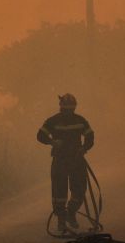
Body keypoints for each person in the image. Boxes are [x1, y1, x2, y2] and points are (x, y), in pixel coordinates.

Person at [37, 93, 95, 233]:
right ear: (61, 107)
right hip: (60, 160)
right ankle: (61, 222)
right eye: (66, 108)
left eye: (70, 108)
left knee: (80, 190)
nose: (68, 111)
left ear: (74, 107)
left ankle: (71, 213)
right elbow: (40, 135)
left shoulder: (80, 120)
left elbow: (90, 136)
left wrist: (84, 148)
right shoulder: (52, 121)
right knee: (59, 193)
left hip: (77, 160)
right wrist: (52, 142)